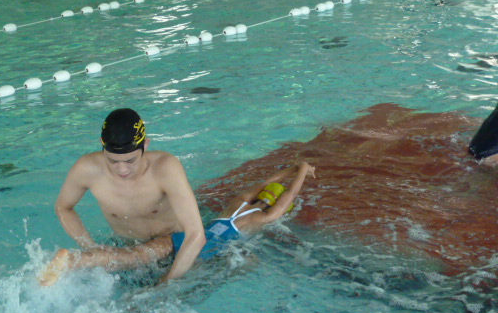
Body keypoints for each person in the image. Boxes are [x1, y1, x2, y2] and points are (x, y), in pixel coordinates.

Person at [38, 161, 315, 286]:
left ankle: (75, 260)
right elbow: (289, 196)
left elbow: (266, 183)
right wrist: (302, 171)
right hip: (200, 253)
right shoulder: (261, 219)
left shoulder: (239, 202)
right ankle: (122, 310)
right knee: (163, 291)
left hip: (179, 238)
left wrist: (293, 168)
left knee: (131, 256)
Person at [40, 108, 206, 286]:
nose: (122, 169)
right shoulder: (87, 169)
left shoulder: (165, 168)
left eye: (130, 161)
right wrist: (91, 247)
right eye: (112, 161)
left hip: (172, 244)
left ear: (146, 145)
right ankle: (84, 259)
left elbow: (196, 235)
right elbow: (63, 207)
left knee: (139, 263)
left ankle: (79, 260)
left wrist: (166, 284)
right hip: (125, 248)